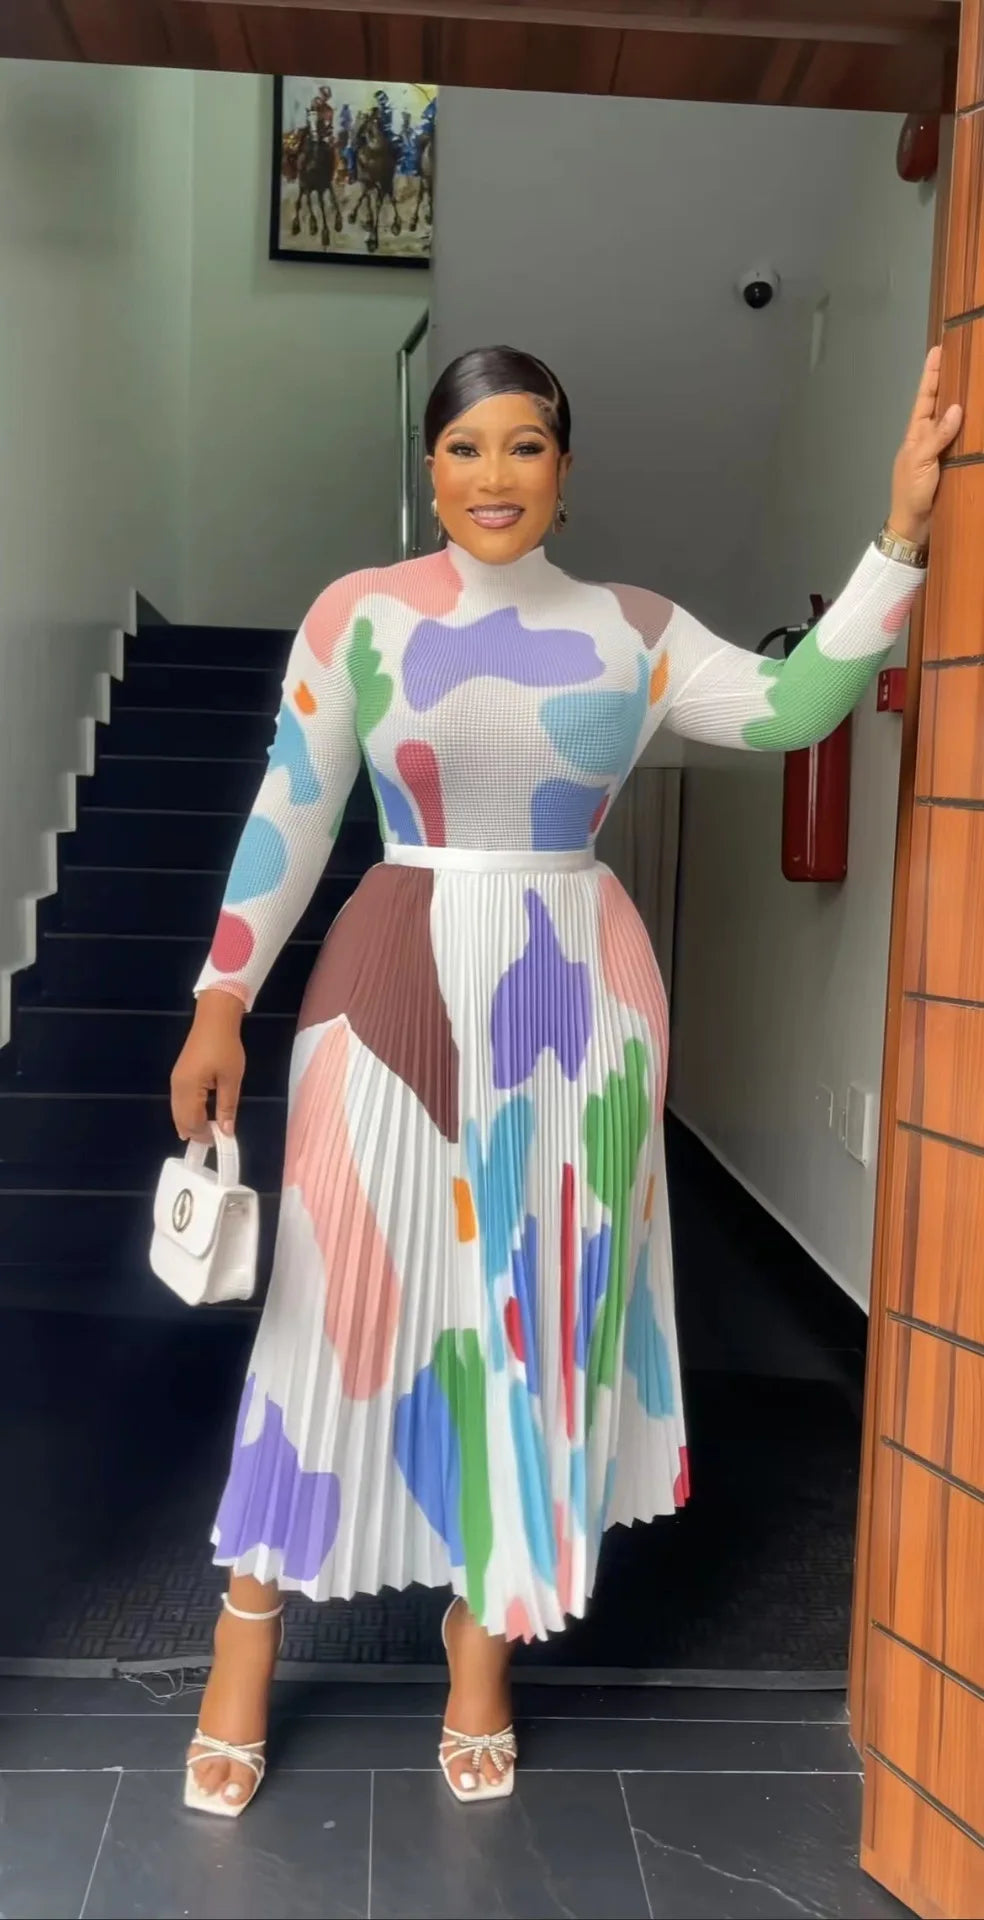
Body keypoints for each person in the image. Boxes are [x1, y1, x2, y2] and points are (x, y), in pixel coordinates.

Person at [171, 343, 960, 1816]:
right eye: (466, 446)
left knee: (534, 1315)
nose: (495, 476)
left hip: (576, 1001)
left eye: (525, 445)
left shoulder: (633, 629)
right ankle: (246, 1634)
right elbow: (293, 808)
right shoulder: (357, 616)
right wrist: (222, 1001)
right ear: (430, 467)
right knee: (334, 1301)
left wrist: (900, 533)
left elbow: (794, 709)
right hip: (391, 978)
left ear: (566, 470)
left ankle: (486, 1638)